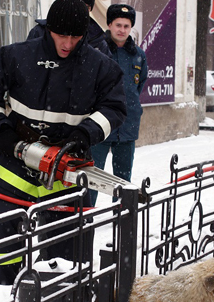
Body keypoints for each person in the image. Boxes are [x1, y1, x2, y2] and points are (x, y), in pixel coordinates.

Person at [0, 0, 126, 285]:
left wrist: (85, 134)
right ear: (48, 29)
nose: (67, 43)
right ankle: (5, 294)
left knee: (68, 249)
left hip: (66, 169)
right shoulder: (17, 56)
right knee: (4, 239)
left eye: (75, 36)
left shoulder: (99, 66)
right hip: (16, 164)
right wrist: (1, 131)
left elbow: (115, 107)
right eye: (61, 35)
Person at [89, 4, 147, 205]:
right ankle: (87, 216)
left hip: (128, 124)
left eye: (126, 26)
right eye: (118, 25)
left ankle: (122, 214)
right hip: (100, 123)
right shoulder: (97, 51)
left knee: (123, 178)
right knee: (93, 176)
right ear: (109, 25)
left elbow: (138, 87)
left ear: (131, 28)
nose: (122, 30)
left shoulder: (139, 55)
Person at [26, 0, 111, 57]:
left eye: (83, 8)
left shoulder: (97, 40)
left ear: (89, 10)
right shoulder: (40, 32)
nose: (76, 12)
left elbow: (107, 76)